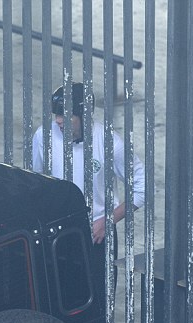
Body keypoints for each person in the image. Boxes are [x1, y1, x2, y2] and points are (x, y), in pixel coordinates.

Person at [32, 82, 145, 304]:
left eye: (65, 115)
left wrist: (108, 221)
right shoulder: (43, 136)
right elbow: (36, 182)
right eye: (56, 115)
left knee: (98, 303)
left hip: (96, 235)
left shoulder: (110, 142)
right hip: (56, 232)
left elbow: (142, 187)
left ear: (83, 116)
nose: (58, 121)